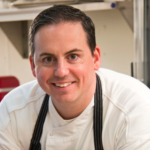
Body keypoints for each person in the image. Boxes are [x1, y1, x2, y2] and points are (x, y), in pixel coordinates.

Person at [0, 5, 150, 150]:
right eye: (48, 59)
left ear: (95, 58)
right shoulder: (13, 112)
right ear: (33, 65)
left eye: (73, 56)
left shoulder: (134, 109)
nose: (61, 72)